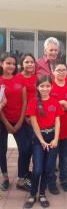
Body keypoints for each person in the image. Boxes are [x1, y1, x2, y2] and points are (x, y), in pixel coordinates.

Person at [24, 75, 63, 208]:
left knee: (48, 169)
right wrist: (41, 141)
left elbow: (58, 121)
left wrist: (56, 139)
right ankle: (32, 194)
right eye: (42, 86)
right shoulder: (33, 102)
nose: (45, 88)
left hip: (52, 138)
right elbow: (34, 123)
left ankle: (42, 194)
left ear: (51, 87)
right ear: (37, 87)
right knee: (38, 169)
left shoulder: (55, 101)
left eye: (47, 86)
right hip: (38, 138)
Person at [0, 52, 32, 192]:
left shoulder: (20, 79)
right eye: (8, 63)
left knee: (25, 148)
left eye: (13, 63)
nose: (11, 66)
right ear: (1, 64)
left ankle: (21, 178)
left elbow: (24, 101)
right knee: (2, 151)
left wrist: (19, 122)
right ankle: (5, 177)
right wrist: (7, 124)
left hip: (19, 119)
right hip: (2, 120)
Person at [50, 60, 67, 193]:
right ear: (53, 72)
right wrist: (59, 102)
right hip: (51, 129)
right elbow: (43, 106)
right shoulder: (48, 86)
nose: (61, 72)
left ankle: (64, 180)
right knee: (52, 156)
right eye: (58, 70)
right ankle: (51, 181)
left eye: (64, 70)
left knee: (64, 157)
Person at [16, 53, 38, 186]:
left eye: (32, 62)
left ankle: (25, 172)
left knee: (30, 147)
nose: (30, 64)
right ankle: (21, 178)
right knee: (24, 148)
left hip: (34, 118)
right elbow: (16, 101)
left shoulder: (36, 78)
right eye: (27, 62)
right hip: (22, 118)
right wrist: (24, 117)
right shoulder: (17, 78)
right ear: (22, 64)